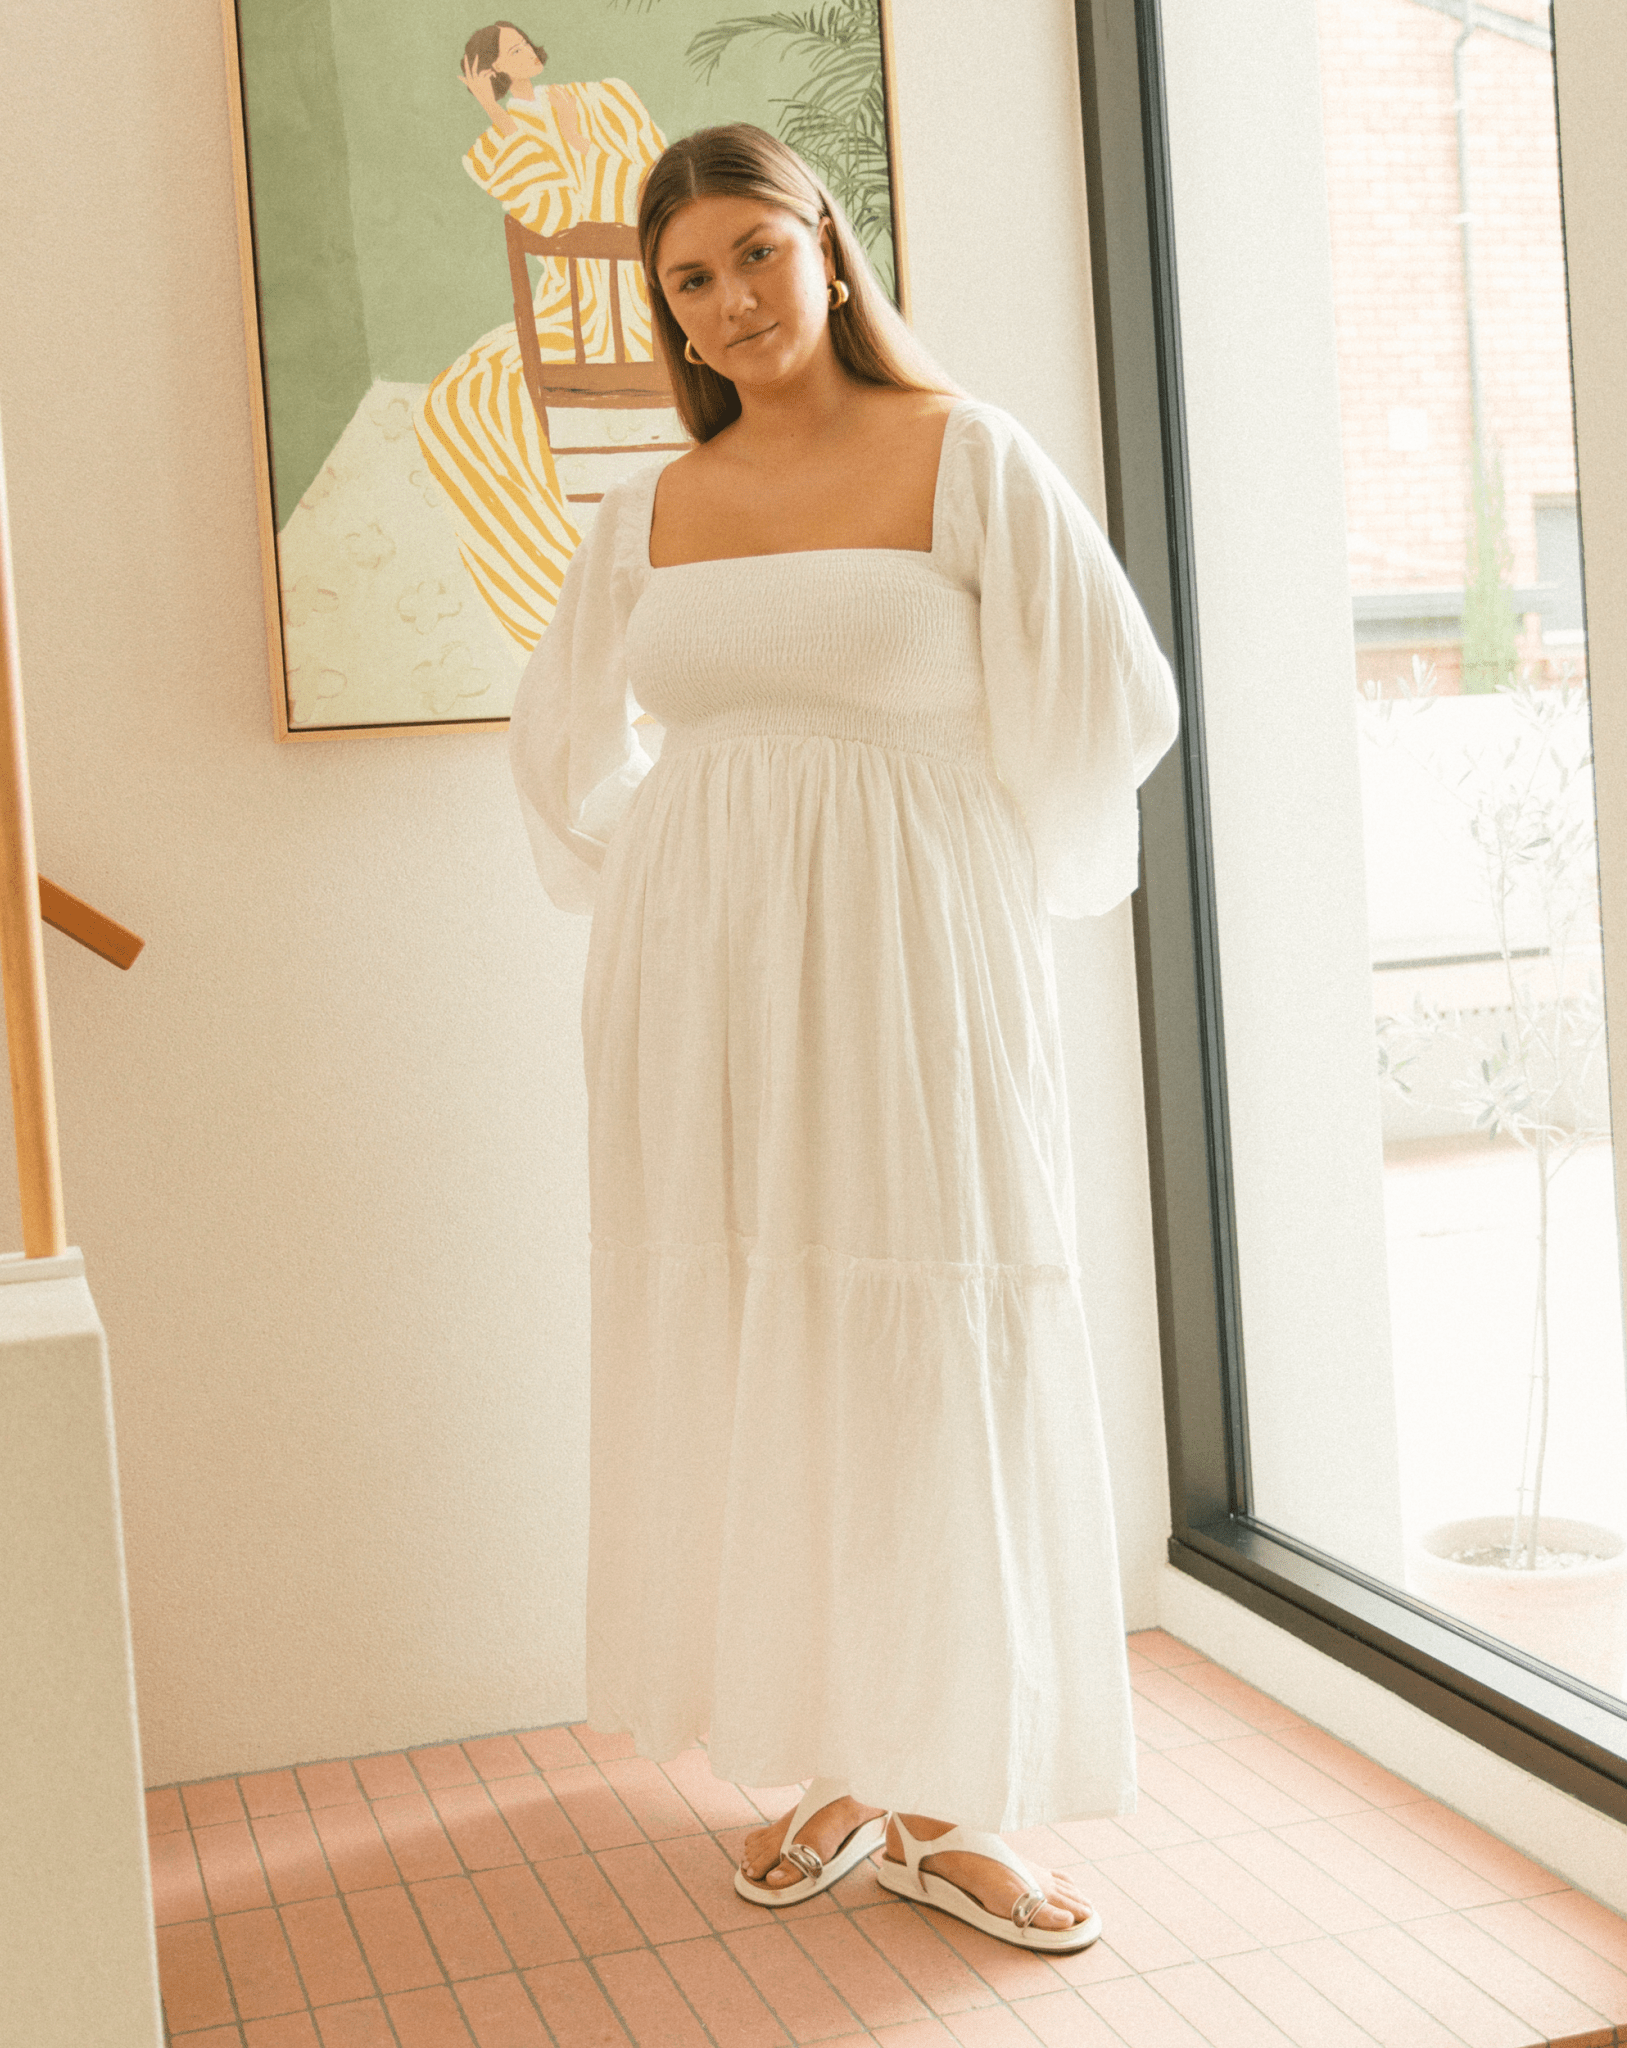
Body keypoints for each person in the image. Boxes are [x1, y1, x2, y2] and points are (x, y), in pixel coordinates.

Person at [508, 123, 1179, 1952]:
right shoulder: (652, 504)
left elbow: (1108, 697)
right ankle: (836, 1758)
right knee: (765, 1330)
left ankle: (955, 1794)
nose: (729, 299)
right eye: (688, 279)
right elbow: (561, 737)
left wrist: (957, 861)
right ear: (667, 311)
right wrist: (665, 883)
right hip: (698, 979)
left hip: (912, 958)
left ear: (826, 243)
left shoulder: (963, 452)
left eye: (753, 252)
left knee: (931, 1331)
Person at [414, 23, 666, 650]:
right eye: (509, 52)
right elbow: (553, 215)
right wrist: (496, 114)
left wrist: (580, 149)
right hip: (570, 304)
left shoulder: (603, 98)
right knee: (462, 397)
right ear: (491, 69)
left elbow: (652, 185)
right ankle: (552, 576)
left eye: (523, 43)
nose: (523, 53)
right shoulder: (499, 138)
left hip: (643, 297)